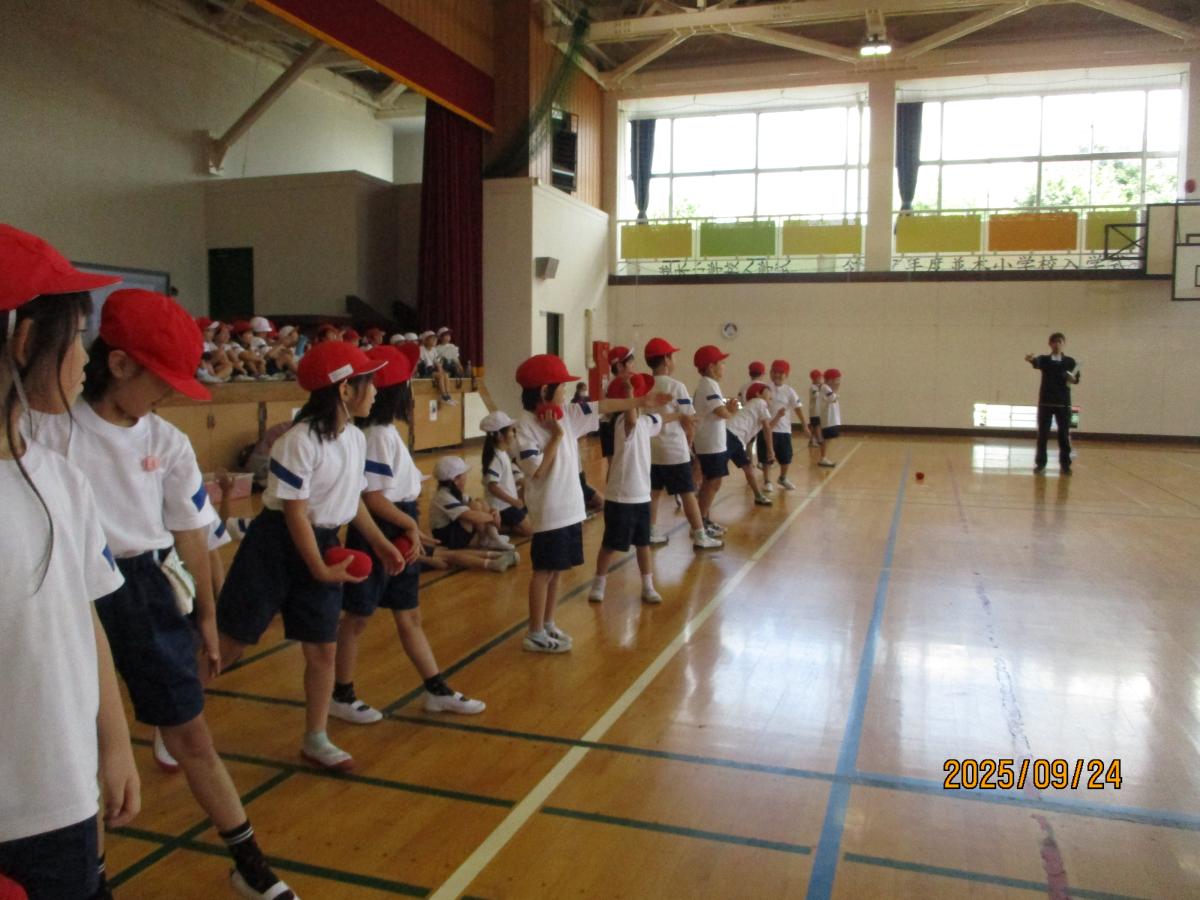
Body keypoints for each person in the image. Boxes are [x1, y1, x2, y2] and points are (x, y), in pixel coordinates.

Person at [31, 287, 294, 899]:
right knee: (87, 747)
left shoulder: (166, 442)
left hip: (145, 588)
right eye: (160, 379)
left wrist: (207, 615)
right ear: (118, 364)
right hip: (72, 592)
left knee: (191, 734)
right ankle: (92, 876)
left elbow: (191, 534)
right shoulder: (51, 430)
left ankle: (247, 858)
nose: (171, 393)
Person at [0, 226, 139, 900]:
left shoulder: (60, 477)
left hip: (64, 796)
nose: (85, 358)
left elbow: (83, 619)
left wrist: (112, 744)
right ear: (24, 341)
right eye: (76, 337)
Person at [217, 341, 405, 775]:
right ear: (344, 391)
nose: (375, 390)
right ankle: (177, 721)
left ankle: (316, 736)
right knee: (231, 643)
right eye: (368, 382)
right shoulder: (297, 443)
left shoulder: (356, 439)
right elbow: (295, 512)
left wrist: (379, 543)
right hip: (274, 547)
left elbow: (352, 499)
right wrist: (318, 568)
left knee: (322, 648)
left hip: (323, 542)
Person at [331, 345, 486, 725]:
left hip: (399, 523)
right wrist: (409, 527)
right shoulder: (376, 436)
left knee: (409, 615)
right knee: (357, 617)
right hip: (380, 528)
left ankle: (436, 689)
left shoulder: (384, 432)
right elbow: (371, 497)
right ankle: (341, 694)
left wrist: (410, 524)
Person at [513, 354, 668, 653]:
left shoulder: (567, 413)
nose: (566, 393)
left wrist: (641, 401)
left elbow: (604, 406)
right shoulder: (525, 428)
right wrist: (557, 436)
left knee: (557, 571)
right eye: (561, 388)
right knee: (543, 572)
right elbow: (538, 470)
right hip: (549, 512)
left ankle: (548, 623)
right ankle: (534, 632)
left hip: (570, 509)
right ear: (545, 390)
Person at [589, 373, 681, 604]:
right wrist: (632, 396)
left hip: (641, 496)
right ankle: (599, 583)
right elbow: (631, 418)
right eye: (643, 393)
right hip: (620, 497)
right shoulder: (622, 423)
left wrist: (684, 415)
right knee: (610, 545)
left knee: (643, 544)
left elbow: (662, 418)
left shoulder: (646, 422)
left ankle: (648, 586)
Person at [643, 337, 721, 550]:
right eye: (673, 356)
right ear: (667, 360)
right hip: (674, 450)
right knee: (687, 492)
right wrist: (690, 443)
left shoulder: (644, 386)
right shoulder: (676, 386)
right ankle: (699, 534)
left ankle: (650, 531)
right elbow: (689, 418)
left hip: (650, 449)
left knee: (654, 492)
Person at [692, 345, 739, 537]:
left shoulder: (710, 385)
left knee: (714, 482)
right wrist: (731, 410)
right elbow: (722, 413)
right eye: (722, 363)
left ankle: (704, 519)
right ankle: (699, 523)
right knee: (711, 482)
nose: (724, 366)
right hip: (709, 443)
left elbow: (719, 410)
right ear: (711, 367)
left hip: (713, 442)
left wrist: (727, 408)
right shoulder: (708, 385)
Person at [430, 456, 515, 552]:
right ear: (456, 479)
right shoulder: (443, 495)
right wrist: (493, 517)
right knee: (475, 507)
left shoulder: (452, 491)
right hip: (446, 538)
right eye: (464, 474)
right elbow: (471, 516)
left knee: (479, 501)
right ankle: (488, 539)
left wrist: (493, 510)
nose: (466, 477)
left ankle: (493, 537)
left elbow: (475, 503)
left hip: (453, 528)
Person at [1025, 332, 1079, 474]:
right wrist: (1031, 360)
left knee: (1064, 435)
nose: (1057, 344)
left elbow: (1076, 379)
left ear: (1063, 344)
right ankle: (1041, 464)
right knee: (1042, 435)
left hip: (1063, 403)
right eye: (1054, 342)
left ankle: (1065, 465)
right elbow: (1036, 362)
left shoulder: (1070, 362)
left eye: (1059, 342)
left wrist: (1072, 379)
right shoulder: (1044, 359)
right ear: (1050, 344)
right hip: (1045, 403)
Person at [726, 382, 780, 506]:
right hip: (731, 436)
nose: (771, 395)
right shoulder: (759, 402)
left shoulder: (754, 407)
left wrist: (779, 416)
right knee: (714, 473)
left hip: (735, 439)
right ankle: (693, 491)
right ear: (758, 394)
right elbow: (767, 428)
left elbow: (767, 427)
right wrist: (770, 450)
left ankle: (758, 496)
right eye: (767, 392)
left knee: (748, 467)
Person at [481, 411, 533, 539]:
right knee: (531, 532)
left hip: (509, 503)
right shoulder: (496, 458)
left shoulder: (502, 453)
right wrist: (513, 501)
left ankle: (501, 524)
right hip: (503, 506)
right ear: (500, 436)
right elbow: (492, 487)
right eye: (511, 431)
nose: (513, 434)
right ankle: (499, 526)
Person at [764, 360, 811, 491]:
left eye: (781, 373)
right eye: (775, 372)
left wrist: (804, 425)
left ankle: (783, 477)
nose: (777, 375)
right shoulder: (765, 389)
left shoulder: (789, 391)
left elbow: (798, 408)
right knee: (767, 456)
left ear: (786, 375)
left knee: (786, 457)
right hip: (768, 428)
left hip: (784, 429)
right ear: (770, 373)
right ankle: (767, 481)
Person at [417, 330, 455, 404]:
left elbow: (437, 361)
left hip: (432, 369)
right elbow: (421, 363)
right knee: (440, 375)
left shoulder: (434, 349)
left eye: (435, 339)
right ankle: (443, 395)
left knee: (445, 374)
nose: (435, 340)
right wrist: (438, 370)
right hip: (425, 370)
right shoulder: (421, 349)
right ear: (426, 340)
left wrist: (440, 369)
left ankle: (448, 394)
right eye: (432, 339)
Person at [818, 368, 842, 468]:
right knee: (826, 439)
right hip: (828, 419)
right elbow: (832, 398)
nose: (838, 382)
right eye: (837, 379)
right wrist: (836, 392)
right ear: (830, 379)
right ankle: (823, 458)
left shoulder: (828, 388)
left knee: (828, 439)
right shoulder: (825, 387)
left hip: (832, 418)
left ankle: (824, 457)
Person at [808, 369, 824, 449]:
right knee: (816, 426)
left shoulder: (817, 387)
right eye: (819, 378)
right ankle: (819, 440)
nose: (821, 379)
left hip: (818, 411)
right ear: (814, 378)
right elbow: (816, 395)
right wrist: (821, 388)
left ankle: (812, 440)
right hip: (814, 411)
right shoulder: (813, 388)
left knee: (816, 426)